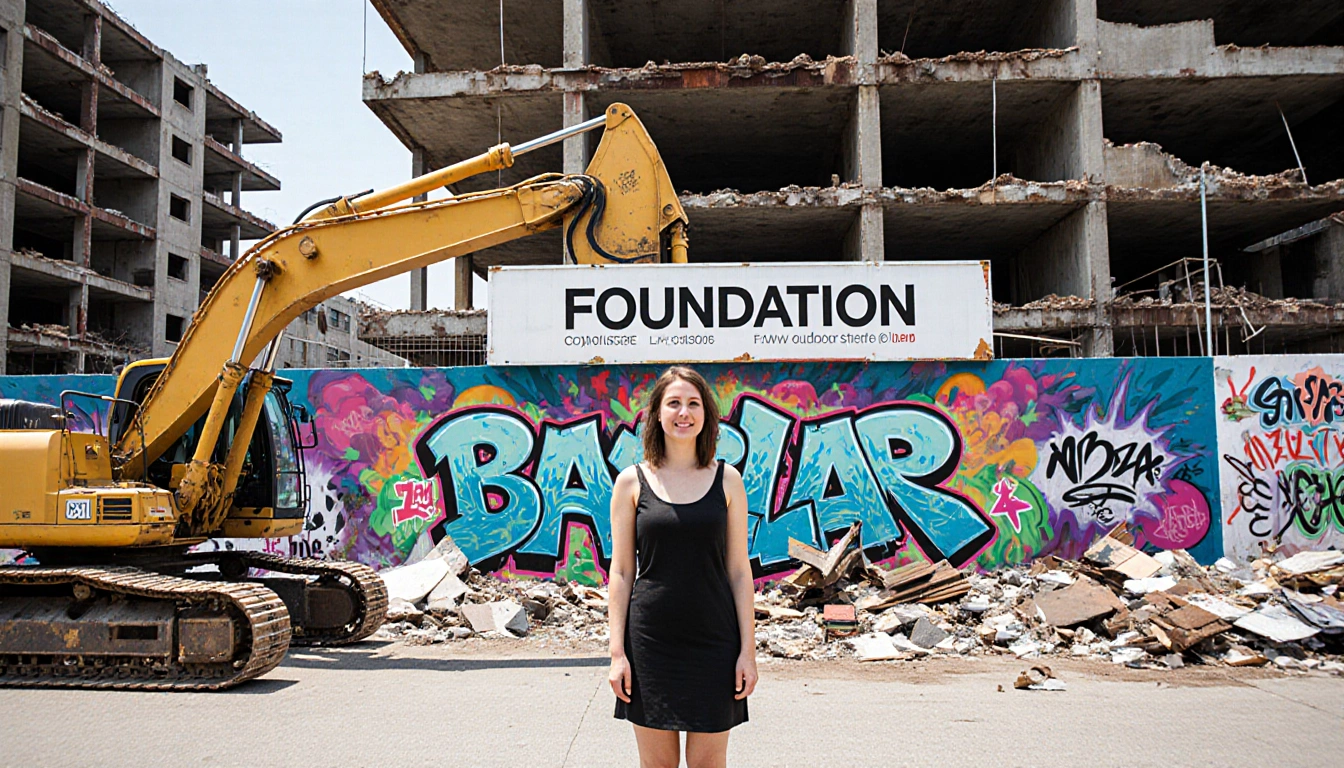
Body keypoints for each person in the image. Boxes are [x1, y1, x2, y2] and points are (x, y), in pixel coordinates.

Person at [608, 365, 757, 768]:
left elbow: (740, 572)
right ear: (657, 413)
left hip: (715, 643)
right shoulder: (630, 482)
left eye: (693, 403)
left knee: (709, 764)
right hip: (651, 643)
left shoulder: (728, 480)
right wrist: (616, 653)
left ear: (706, 414)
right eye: (673, 403)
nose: (683, 412)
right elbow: (621, 572)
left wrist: (748, 651)